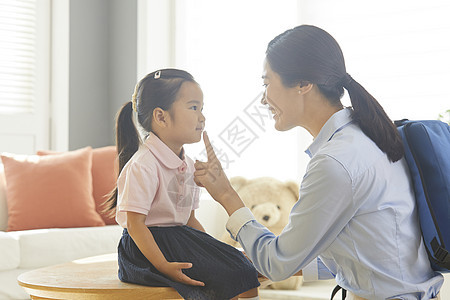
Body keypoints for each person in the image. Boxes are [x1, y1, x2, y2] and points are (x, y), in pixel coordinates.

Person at [194, 25, 444, 300]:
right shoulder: (366, 138)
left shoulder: (335, 162)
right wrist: (274, 259)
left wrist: (227, 195)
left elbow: (277, 264)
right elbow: (369, 256)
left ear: (303, 83)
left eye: (266, 84)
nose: (264, 98)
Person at [106, 69, 260, 300]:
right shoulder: (143, 165)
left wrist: (217, 251)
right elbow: (135, 224)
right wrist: (163, 265)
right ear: (161, 117)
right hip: (146, 249)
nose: (202, 117)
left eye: (202, 108)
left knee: (242, 270)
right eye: (193, 107)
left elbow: (189, 219)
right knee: (233, 275)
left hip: (179, 239)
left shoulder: (188, 165)